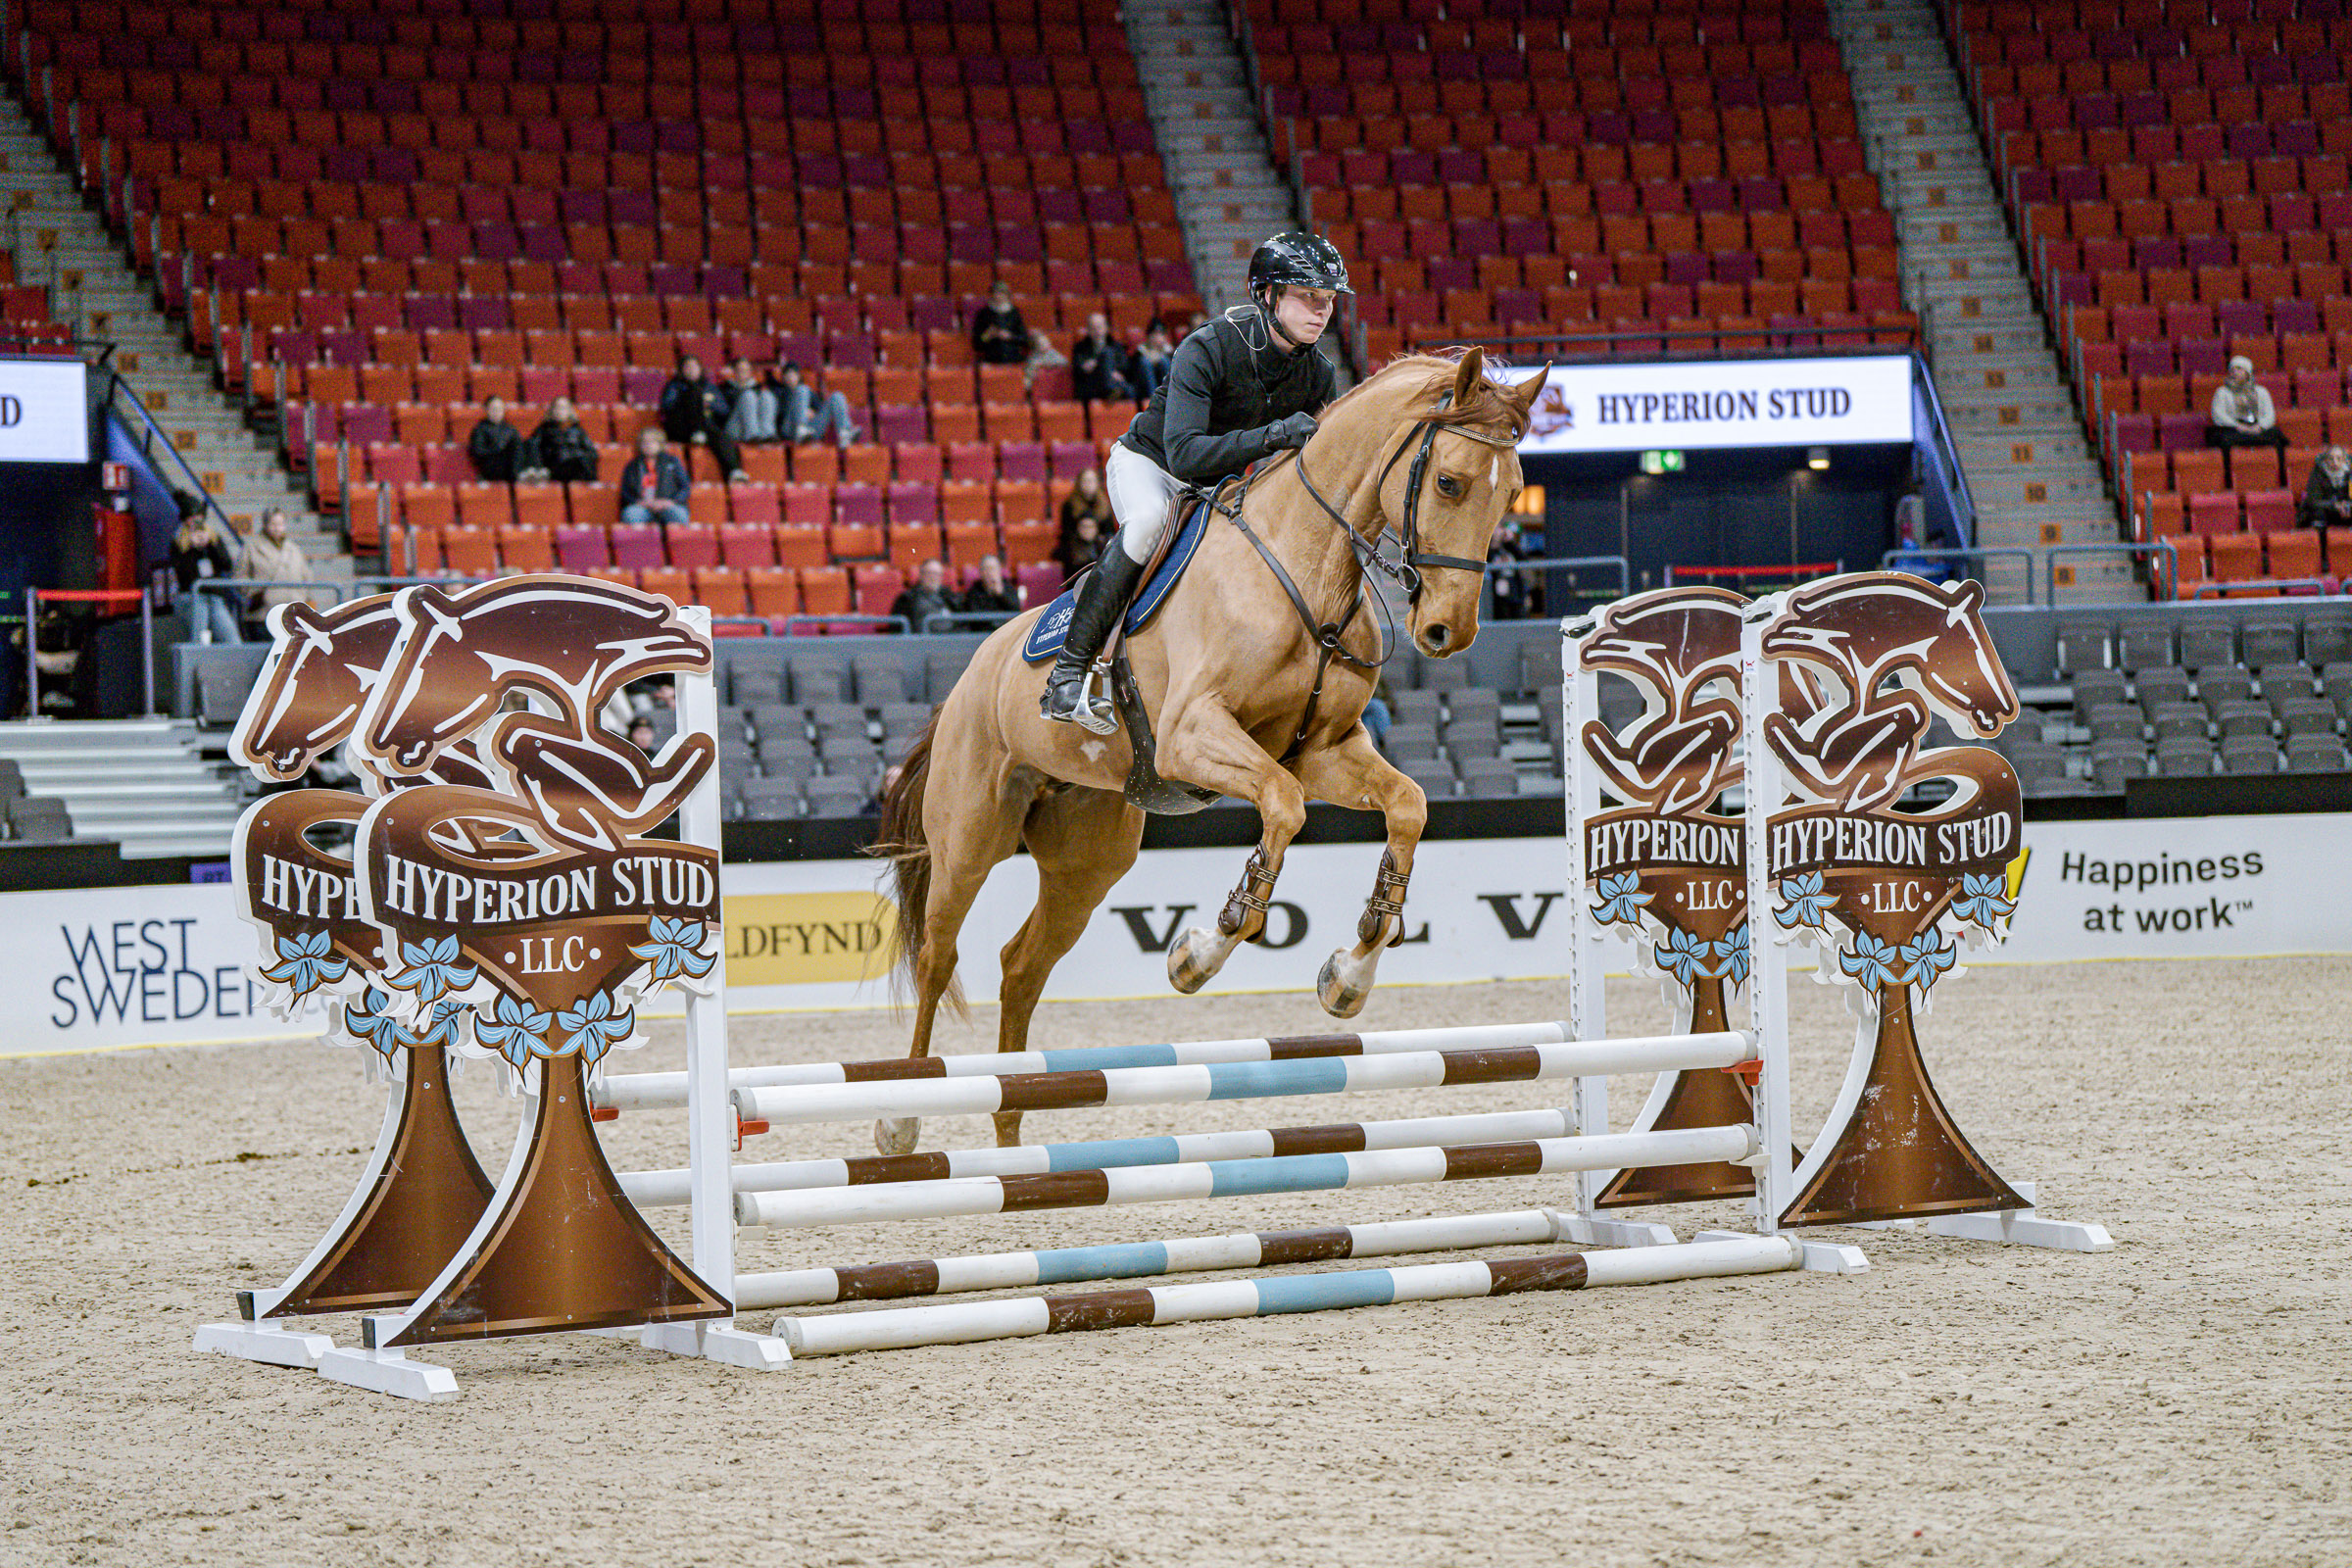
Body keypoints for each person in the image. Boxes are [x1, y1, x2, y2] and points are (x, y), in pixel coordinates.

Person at [1041, 231, 1347, 730]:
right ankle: (1067, 676)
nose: (1321, 310)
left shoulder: (1318, 374)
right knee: (1145, 526)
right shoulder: (1206, 348)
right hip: (1153, 466)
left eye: (1329, 300)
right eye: (1308, 296)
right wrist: (1272, 436)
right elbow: (1184, 454)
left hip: (1222, 487)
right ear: (1267, 295)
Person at [169, 493, 242, 645]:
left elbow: (226, 564)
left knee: (232, 639)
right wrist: (192, 548)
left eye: (199, 516)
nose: (196, 520)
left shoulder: (213, 537)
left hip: (215, 597)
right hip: (193, 597)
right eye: (191, 516)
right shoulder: (178, 542)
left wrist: (210, 545)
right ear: (185, 519)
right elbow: (183, 574)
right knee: (200, 639)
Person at [661, 354, 747, 481]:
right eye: (687, 367)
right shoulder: (674, 385)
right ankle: (697, 431)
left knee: (722, 437)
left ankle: (734, 471)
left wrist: (709, 404)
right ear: (681, 370)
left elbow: (724, 410)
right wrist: (685, 399)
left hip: (706, 427)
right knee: (693, 392)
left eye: (694, 366)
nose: (691, 370)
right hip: (681, 427)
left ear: (700, 369)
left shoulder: (709, 386)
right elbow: (666, 406)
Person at [241, 507, 312, 621]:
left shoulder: (294, 548)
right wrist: (257, 595)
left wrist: (301, 596)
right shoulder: (251, 547)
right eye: (273, 524)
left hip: (292, 613)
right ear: (265, 524)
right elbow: (240, 577)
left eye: (280, 524)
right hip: (263, 613)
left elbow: (306, 576)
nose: (277, 528)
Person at [772, 360, 858, 447]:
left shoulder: (808, 391)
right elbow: (779, 414)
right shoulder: (780, 391)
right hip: (790, 429)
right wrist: (800, 411)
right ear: (783, 377)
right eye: (788, 375)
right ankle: (801, 429)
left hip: (810, 430)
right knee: (802, 389)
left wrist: (813, 413)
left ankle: (845, 433)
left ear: (798, 376)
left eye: (793, 374)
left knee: (837, 396)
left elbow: (820, 409)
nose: (791, 377)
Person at [2206, 356, 2286, 451]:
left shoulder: (2261, 391)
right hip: (2233, 429)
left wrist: (2259, 427)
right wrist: (2238, 426)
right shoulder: (2222, 391)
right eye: (2232, 370)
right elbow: (2219, 415)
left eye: (2239, 369)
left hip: (2257, 428)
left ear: (2248, 373)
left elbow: (2270, 415)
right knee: (2224, 439)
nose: (2234, 372)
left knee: (2277, 438)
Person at [618, 427, 691, 525]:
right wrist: (639, 502)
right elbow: (625, 492)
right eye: (644, 442)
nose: (648, 445)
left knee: (679, 515)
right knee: (630, 515)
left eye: (652, 442)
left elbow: (685, 488)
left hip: (668, 505)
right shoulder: (632, 465)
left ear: (660, 444)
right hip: (642, 506)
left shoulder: (673, 462)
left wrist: (670, 502)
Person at [525, 396, 599, 483]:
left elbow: (592, 452)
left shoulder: (578, 430)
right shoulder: (543, 429)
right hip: (555, 467)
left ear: (569, 411)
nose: (560, 411)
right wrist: (540, 467)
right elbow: (532, 448)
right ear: (552, 410)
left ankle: (589, 489)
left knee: (584, 460)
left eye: (563, 408)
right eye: (557, 407)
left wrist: (580, 455)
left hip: (576, 465)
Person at [971, 280, 1039, 367]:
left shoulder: (1014, 313)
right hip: (991, 359)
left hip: (1013, 358)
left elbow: (1024, 340)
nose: (998, 296)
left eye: (1001, 293)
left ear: (1007, 295)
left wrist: (1010, 336)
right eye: (995, 293)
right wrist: (988, 335)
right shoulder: (984, 313)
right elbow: (976, 344)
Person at [1070, 312, 1134, 403]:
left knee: (1131, 390)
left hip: (1114, 382)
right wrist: (1085, 368)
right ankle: (1110, 389)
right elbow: (1077, 370)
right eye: (1093, 328)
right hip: (1092, 385)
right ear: (1088, 330)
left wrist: (1109, 370)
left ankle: (1111, 390)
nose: (1097, 331)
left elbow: (1124, 366)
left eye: (1099, 327)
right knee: (1106, 353)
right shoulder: (1080, 348)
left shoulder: (1116, 346)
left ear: (1106, 328)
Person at [719, 357, 778, 445]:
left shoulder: (758, 387)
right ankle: (752, 435)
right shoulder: (725, 388)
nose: (743, 372)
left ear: (750, 372)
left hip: (759, 430)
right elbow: (722, 412)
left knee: (767, 395)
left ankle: (767, 434)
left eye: (746, 370)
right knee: (748, 395)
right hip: (734, 427)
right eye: (740, 370)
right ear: (734, 371)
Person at [889, 558, 955, 632]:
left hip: (950, 639)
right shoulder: (906, 599)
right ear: (921, 575)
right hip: (920, 641)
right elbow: (897, 629)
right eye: (929, 573)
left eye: (937, 574)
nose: (933, 578)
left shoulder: (949, 596)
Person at [467, 395, 522, 482]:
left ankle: (521, 474)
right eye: (493, 409)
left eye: (500, 409)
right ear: (487, 410)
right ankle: (517, 477)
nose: (496, 412)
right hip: (491, 467)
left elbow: (518, 449)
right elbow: (477, 452)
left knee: (528, 444)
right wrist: (496, 449)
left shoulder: (510, 429)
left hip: (509, 465)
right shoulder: (480, 429)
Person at [2300, 445, 2352, 529]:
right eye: (2331, 459)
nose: (2335, 462)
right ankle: (2320, 539)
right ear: (2326, 460)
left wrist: (2347, 506)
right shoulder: (2317, 474)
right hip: (2324, 510)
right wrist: (2334, 505)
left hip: (2344, 510)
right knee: (2317, 512)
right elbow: (2313, 501)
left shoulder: (2350, 474)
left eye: (2339, 458)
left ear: (2344, 460)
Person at [958, 554, 1021, 619]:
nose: (990, 573)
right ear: (981, 572)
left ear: (999, 570)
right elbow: (975, 617)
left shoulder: (1008, 587)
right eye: (986, 569)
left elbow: (1016, 610)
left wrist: (1001, 594)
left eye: (993, 568)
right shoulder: (974, 591)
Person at [1131, 319, 1175, 402]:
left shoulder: (1170, 352)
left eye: (1160, 334)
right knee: (1145, 362)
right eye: (1154, 334)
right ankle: (1153, 399)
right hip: (1144, 390)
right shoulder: (1140, 351)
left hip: (1163, 388)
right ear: (1148, 336)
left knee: (1164, 362)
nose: (1157, 338)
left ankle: (1169, 397)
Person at [1055, 512, 1105, 577]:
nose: (1087, 530)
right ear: (1078, 528)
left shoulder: (1102, 545)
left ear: (1096, 529)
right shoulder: (1069, 547)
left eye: (1091, 527)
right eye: (1084, 527)